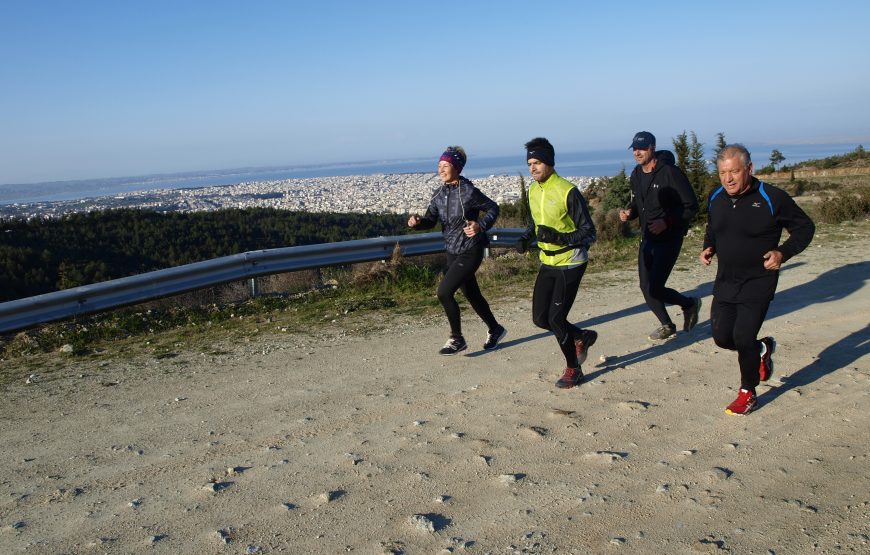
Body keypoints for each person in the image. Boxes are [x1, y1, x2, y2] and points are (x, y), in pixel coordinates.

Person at [700, 144, 814, 415]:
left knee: (742, 337)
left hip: (758, 280)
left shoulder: (772, 197)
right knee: (721, 337)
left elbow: (805, 227)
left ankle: (747, 392)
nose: (728, 179)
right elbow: (713, 226)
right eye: (723, 173)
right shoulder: (716, 196)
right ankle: (762, 349)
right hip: (726, 279)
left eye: (734, 172)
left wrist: (783, 252)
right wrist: (709, 246)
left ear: (749, 169)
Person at [408, 146, 507, 355]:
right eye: (439, 166)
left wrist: (480, 225)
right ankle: (495, 328)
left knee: (444, 292)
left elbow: (492, 208)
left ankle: (456, 338)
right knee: (472, 294)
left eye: (446, 165)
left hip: (471, 249)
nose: (441, 170)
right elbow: (430, 220)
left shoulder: (468, 192)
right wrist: (418, 223)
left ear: (457, 168)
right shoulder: (439, 194)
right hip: (452, 251)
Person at [518, 138, 597, 388]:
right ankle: (582, 336)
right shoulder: (532, 190)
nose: (533, 168)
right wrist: (525, 237)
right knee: (541, 319)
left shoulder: (567, 190)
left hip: (570, 261)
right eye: (530, 163)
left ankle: (574, 369)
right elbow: (535, 223)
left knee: (555, 318)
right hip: (547, 261)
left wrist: (559, 237)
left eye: (537, 162)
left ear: (549, 162)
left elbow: (588, 232)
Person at [619, 131, 702, 341]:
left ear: (652, 148)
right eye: (635, 149)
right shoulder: (637, 174)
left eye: (642, 148)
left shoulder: (670, 173)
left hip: (669, 238)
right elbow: (639, 202)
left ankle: (689, 304)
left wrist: (667, 222)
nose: (637, 152)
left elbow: (691, 205)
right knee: (645, 286)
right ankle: (667, 324)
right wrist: (630, 212)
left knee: (655, 287)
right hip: (647, 238)